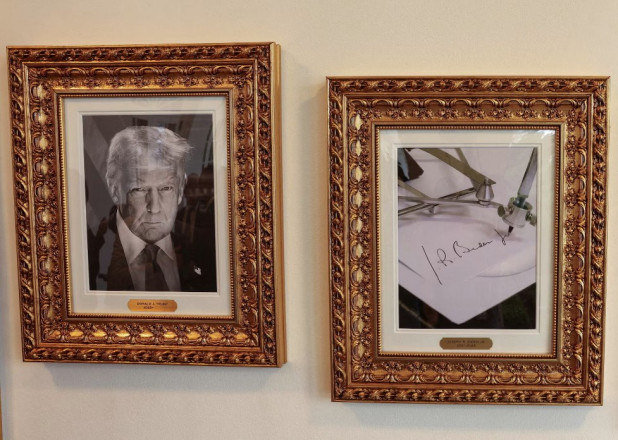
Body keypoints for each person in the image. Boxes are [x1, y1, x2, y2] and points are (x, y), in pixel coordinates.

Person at [99, 126, 217, 292]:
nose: (154, 207)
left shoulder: (189, 241)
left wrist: (190, 270)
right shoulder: (98, 246)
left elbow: (203, 275)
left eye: (166, 188)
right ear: (115, 190)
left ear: (180, 190)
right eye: (139, 189)